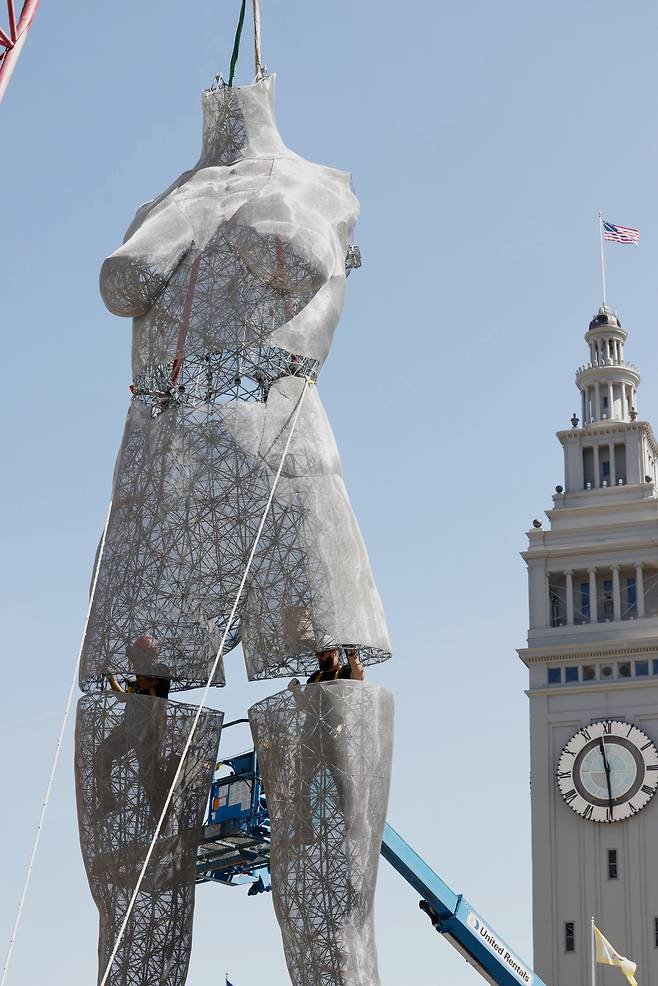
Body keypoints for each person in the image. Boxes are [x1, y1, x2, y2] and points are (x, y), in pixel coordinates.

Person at [94, 635, 172, 816]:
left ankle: (160, 816)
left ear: (149, 655)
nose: (134, 661)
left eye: (138, 655)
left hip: (149, 732)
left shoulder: (160, 670)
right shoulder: (140, 679)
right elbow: (123, 696)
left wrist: (135, 659)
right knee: (102, 756)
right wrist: (111, 678)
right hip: (131, 730)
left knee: (149, 775)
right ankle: (108, 801)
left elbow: (147, 688)